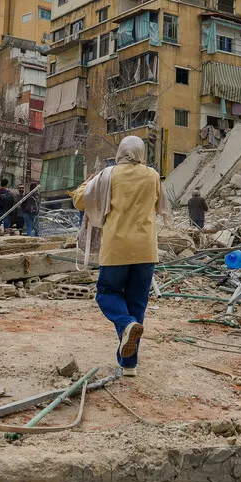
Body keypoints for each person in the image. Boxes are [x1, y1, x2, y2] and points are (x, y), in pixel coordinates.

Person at [71, 136, 168, 378]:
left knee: (107, 293)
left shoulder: (108, 175)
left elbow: (80, 201)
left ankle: (126, 325)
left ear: (121, 152)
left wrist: (86, 184)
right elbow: (158, 205)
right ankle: (129, 364)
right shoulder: (153, 176)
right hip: (146, 249)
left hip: (117, 248)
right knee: (137, 303)